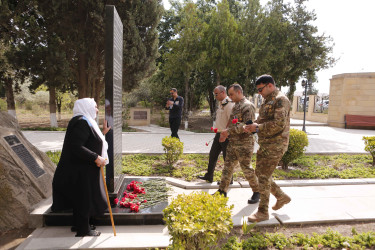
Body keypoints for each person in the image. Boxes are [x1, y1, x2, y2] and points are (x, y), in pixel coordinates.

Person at [51, 98, 111, 237]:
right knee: (84, 198)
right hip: (80, 170)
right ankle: (83, 230)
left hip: (83, 168)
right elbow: (76, 147)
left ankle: (81, 224)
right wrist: (96, 157)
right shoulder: (81, 123)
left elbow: (89, 141)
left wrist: (103, 133)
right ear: (86, 107)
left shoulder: (84, 120)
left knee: (84, 198)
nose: (97, 109)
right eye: (95, 107)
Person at [244, 75, 291, 222]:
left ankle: (263, 212)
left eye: (260, 89)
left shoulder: (281, 99)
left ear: (270, 85)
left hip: (276, 144)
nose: (259, 92)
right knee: (260, 173)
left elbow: (279, 124)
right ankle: (281, 196)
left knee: (263, 176)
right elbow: (263, 120)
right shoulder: (268, 100)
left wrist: (258, 127)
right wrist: (253, 126)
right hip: (267, 143)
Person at [215, 83, 260, 204]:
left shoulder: (248, 106)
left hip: (245, 143)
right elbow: (231, 122)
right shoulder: (235, 106)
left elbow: (247, 126)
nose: (230, 97)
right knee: (227, 167)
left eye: (231, 94)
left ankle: (257, 191)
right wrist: (225, 134)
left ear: (239, 92)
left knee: (246, 168)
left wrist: (228, 131)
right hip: (233, 141)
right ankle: (222, 191)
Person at [198, 85, 234, 183]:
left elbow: (231, 120)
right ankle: (209, 176)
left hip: (226, 135)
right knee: (213, 155)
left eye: (216, 94)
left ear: (223, 93)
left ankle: (229, 179)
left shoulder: (229, 104)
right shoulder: (221, 103)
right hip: (218, 134)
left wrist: (225, 133)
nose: (215, 96)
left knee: (227, 158)